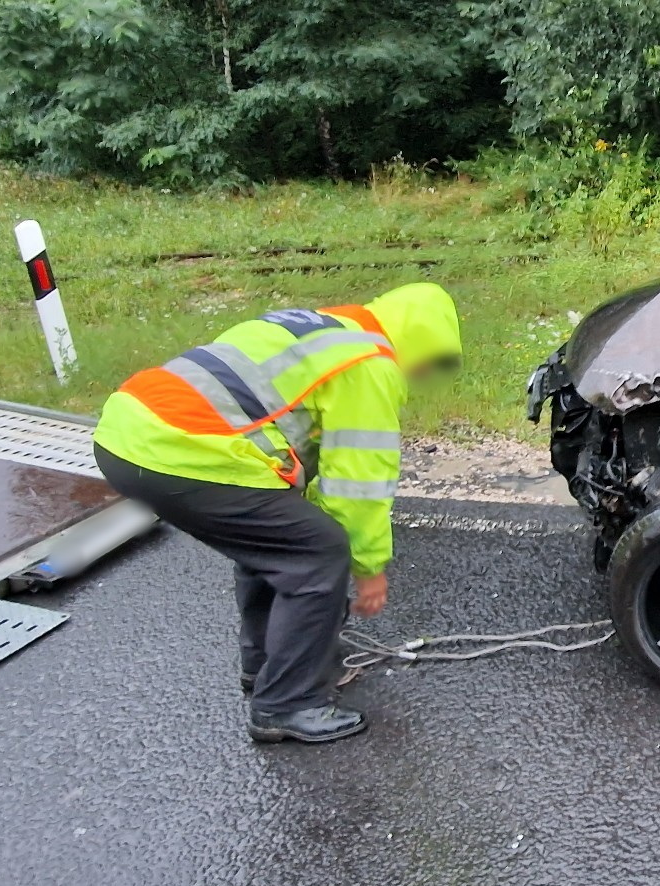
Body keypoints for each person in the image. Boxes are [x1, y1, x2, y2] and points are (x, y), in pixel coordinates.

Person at [92, 283, 462, 744]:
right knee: (317, 551)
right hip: (180, 452)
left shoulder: (319, 328)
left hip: (126, 436)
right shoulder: (368, 365)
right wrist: (369, 570)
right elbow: (359, 485)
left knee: (278, 540)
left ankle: (268, 666)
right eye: (434, 360)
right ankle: (287, 703)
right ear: (422, 339)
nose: (425, 374)